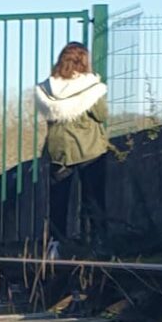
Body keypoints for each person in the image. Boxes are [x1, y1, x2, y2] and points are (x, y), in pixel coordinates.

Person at [34, 40, 109, 255]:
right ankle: (97, 242)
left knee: (58, 200)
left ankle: (55, 245)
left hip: (59, 149)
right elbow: (102, 115)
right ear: (83, 61)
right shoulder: (90, 87)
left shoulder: (47, 88)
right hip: (89, 148)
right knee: (93, 198)